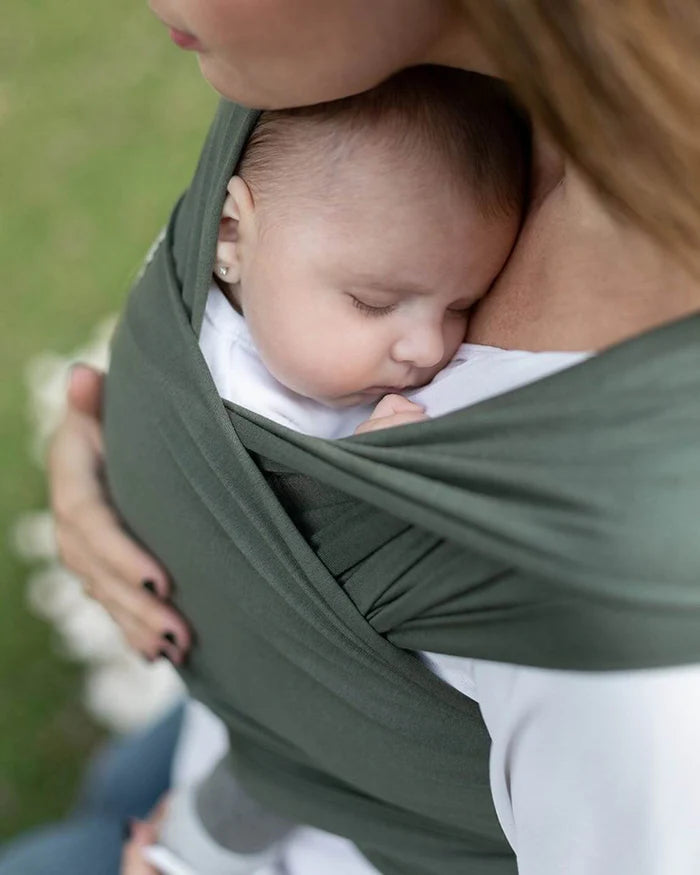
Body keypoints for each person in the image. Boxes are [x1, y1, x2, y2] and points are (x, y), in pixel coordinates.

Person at [45, 2, 700, 875]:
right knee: (104, 799)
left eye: (454, 311)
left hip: (308, 831)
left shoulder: (628, 589)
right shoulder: (358, 75)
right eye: (371, 302)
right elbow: (222, 314)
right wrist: (127, 451)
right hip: (225, 717)